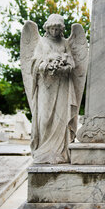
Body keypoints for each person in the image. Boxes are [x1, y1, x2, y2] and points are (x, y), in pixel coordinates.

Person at [30, 14, 78, 163]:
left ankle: (60, 152)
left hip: (62, 85)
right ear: (48, 28)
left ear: (61, 29)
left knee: (61, 118)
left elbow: (72, 64)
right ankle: (43, 150)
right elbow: (35, 63)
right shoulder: (42, 43)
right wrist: (47, 63)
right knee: (44, 118)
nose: (55, 31)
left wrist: (64, 66)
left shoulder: (65, 43)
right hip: (46, 84)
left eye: (58, 28)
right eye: (52, 28)